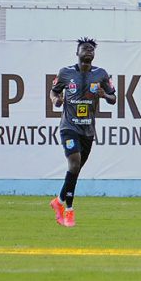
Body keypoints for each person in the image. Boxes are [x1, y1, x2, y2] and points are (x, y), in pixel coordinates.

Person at [49, 38, 116, 227]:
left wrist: (104, 95)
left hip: (88, 129)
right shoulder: (65, 73)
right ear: (77, 53)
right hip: (69, 127)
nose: (88, 51)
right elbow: (54, 92)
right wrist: (56, 100)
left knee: (75, 170)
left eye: (91, 49)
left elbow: (113, 98)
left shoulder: (101, 74)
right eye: (84, 48)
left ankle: (58, 201)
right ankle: (69, 210)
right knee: (74, 162)